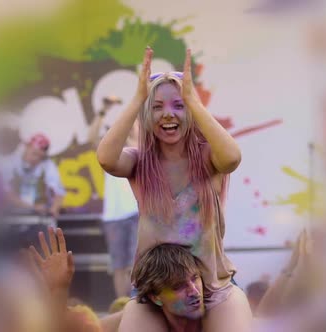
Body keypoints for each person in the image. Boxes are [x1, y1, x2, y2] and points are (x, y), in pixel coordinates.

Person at [96, 47, 251, 331]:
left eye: (178, 106)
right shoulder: (139, 161)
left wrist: (193, 100)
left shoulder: (208, 157)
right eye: (157, 107)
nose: (168, 114)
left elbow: (232, 158)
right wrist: (137, 99)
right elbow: (106, 158)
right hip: (156, 292)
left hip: (213, 287)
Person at [89, 96, 140, 298]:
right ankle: (122, 307)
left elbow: (135, 131)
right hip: (113, 216)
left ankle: (138, 305)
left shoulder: (139, 146)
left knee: (137, 264)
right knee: (119, 266)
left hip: (137, 212)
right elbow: (91, 138)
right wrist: (103, 111)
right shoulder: (110, 149)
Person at [5, 133, 66, 217]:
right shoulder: (11, 162)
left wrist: (54, 209)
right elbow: (6, 193)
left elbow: (59, 192)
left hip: (39, 216)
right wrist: (32, 207)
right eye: (34, 153)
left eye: (40, 156)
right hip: (13, 215)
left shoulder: (47, 165)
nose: (36, 158)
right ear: (27, 147)